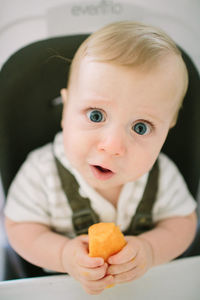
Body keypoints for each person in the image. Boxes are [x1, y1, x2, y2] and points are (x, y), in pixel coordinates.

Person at [4, 21, 197, 295]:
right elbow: (19, 228)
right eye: (96, 115)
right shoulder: (41, 172)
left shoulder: (161, 174)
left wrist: (151, 250)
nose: (113, 146)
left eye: (140, 127)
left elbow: (183, 223)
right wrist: (62, 255)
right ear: (66, 108)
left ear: (169, 126)